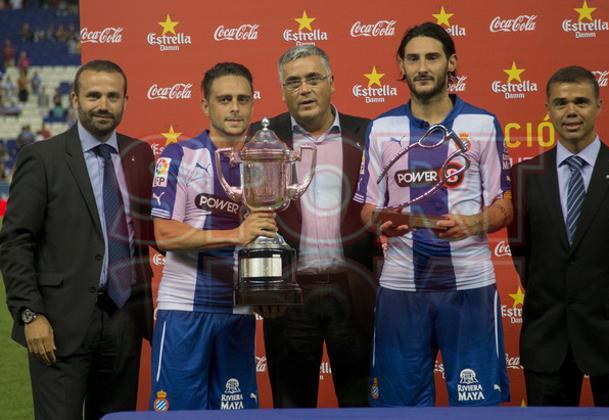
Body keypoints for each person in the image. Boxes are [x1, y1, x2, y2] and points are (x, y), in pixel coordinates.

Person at [354, 22, 512, 407]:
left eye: (432, 57)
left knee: (477, 407)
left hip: (469, 285)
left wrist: (475, 223)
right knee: (399, 406)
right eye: (413, 59)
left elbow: (504, 206)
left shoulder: (482, 124)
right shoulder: (381, 128)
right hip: (401, 288)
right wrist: (381, 221)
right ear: (401, 66)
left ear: (451, 63)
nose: (422, 67)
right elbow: (367, 208)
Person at [0, 59, 155, 420]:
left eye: (113, 96)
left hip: (124, 322)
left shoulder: (140, 155)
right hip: (57, 324)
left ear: (125, 101)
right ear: (74, 99)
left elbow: (152, 232)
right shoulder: (41, 158)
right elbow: (15, 242)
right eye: (94, 95)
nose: (103, 104)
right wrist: (29, 313)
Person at [508, 65, 609, 407]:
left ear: (599, 105)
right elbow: (521, 252)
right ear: (547, 109)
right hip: (548, 339)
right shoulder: (523, 176)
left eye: (581, 101)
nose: (571, 111)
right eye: (560, 103)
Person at [248, 45, 377, 408]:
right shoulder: (264, 140)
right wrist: (263, 289)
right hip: (289, 297)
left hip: (355, 291)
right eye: (293, 82)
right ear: (282, 90)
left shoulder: (367, 133)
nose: (304, 89)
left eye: (313, 78)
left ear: (331, 82)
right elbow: (254, 220)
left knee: (360, 403)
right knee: (291, 405)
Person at [149, 62, 275, 411]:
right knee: (177, 414)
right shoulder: (180, 156)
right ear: (206, 105)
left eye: (243, 99)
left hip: (238, 312)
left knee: (236, 415)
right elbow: (165, 234)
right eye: (224, 99)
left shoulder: (265, 163)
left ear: (252, 104)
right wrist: (236, 234)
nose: (235, 107)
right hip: (184, 311)